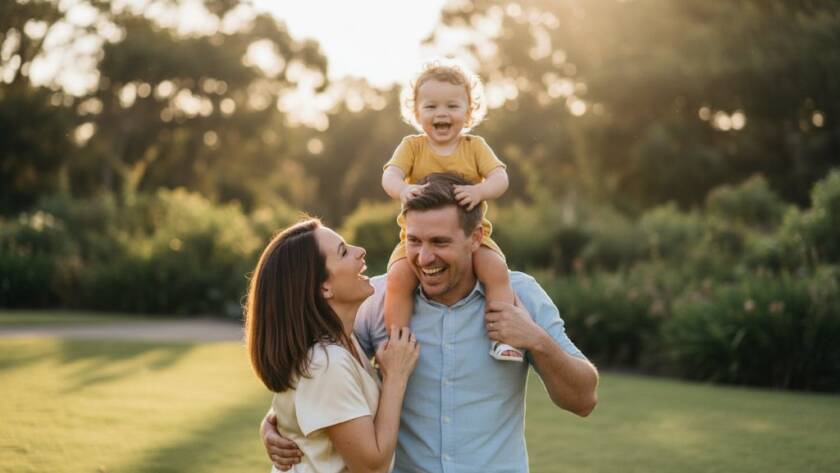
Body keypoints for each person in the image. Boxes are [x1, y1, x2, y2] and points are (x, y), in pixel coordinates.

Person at [263, 173, 599, 473]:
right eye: (413, 241)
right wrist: (276, 422)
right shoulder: (376, 301)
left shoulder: (519, 297)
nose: (424, 258)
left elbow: (584, 399)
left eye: (439, 242)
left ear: (476, 237)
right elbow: (322, 372)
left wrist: (536, 340)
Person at [246, 218, 419, 473]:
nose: (360, 251)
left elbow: (310, 403)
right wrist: (395, 377)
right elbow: (372, 468)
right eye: (343, 252)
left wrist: (273, 421)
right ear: (324, 287)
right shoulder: (326, 363)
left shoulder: (345, 342)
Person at [381, 59, 522, 362]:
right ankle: (397, 343)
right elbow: (390, 175)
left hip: (470, 238)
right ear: (416, 113)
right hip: (415, 239)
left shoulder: (474, 147)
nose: (441, 113)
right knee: (398, 279)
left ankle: (503, 339)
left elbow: (500, 178)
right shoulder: (412, 147)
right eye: (431, 106)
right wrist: (402, 190)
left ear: (469, 113)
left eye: (452, 106)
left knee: (496, 270)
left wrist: (479, 191)